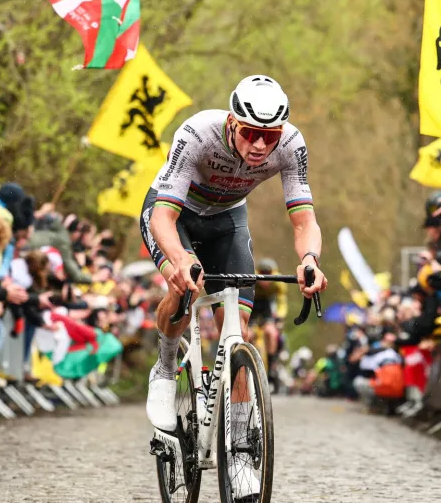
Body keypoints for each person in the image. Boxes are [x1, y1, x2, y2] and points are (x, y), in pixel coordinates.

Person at [140, 75, 327, 498]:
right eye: (250, 133)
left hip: (227, 222)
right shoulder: (198, 133)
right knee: (184, 287)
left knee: (238, 331)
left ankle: (239, 448)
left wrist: (310, 261)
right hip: (175, 215)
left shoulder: (291, 145)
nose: (260, 145)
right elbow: (163, 216)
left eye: (269, 136)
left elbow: (304, 219)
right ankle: (166, 367)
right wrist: (180, 259)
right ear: (232, 122)